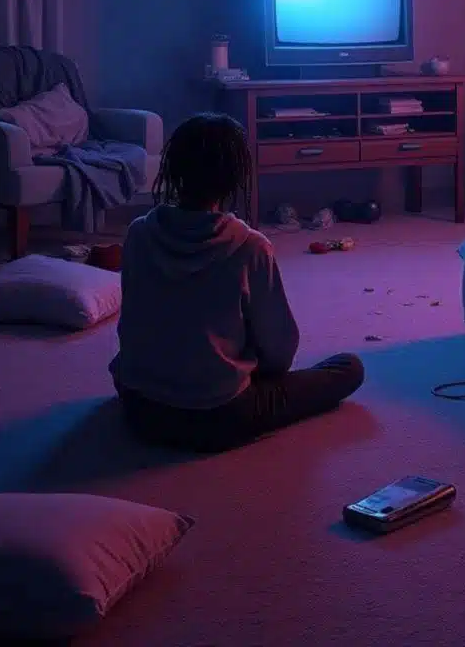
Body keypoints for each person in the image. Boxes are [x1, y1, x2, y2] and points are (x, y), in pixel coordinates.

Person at [109, 112, 364, 452]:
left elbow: (132, 324)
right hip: (220, 415)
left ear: (173, 168)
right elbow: (279, 351)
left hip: (140, 407)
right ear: (235, 177)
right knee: (349, 368)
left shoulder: (138, 232)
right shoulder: (250, 246)